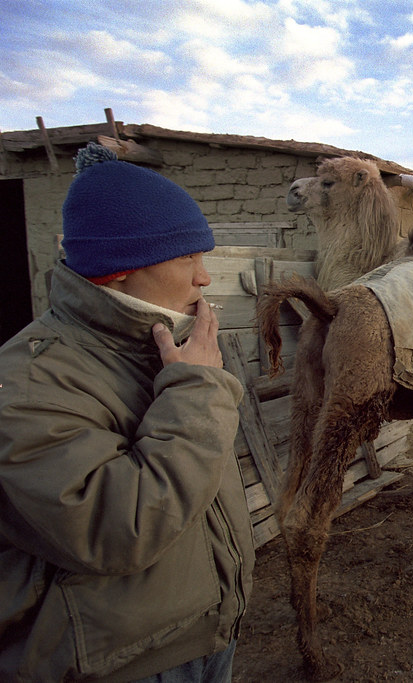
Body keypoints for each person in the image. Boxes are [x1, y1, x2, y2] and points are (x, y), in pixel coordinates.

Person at [0, 143, 255, 682]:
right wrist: (199, 392)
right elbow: (118, 527)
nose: (204, 278)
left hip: (208, 634)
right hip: (123, 664)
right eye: (188, 258)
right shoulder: (28, 381)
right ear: (116, 271)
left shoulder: (160, 347)